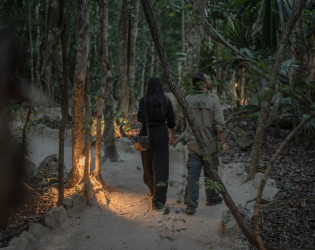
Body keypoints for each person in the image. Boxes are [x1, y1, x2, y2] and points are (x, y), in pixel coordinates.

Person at [184, 72, 227, 215]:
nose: (210, 81)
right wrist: (223, 142)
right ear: (203, 84)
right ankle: (213, 198)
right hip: (210, 145)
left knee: (193, 175)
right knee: (211, 173)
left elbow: (182, 119)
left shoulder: (187, 99)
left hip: (194, 145)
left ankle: (191, 204)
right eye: (208, 79)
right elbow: (219, 125)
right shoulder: (213, 99)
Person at [137, 77, 175, 210]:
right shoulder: (166, 101)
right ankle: (158, 202)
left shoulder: (143, 100)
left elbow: (140, 119)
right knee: (161, 167)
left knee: (147, 165)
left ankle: (151, 189)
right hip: (161, 133)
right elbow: (171, 121)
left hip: (146, 134)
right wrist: (172, 136)